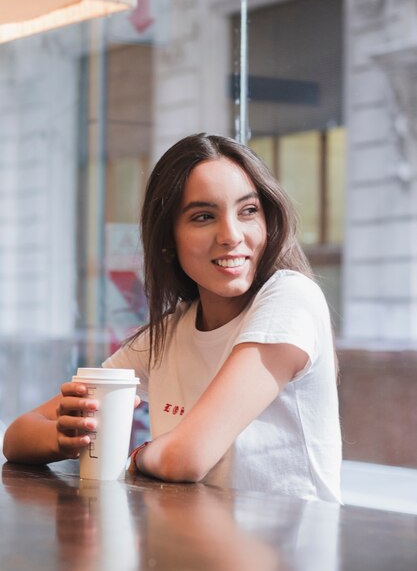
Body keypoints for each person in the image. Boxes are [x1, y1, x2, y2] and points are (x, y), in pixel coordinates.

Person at [3, 133, 342, 502]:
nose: (231, 235)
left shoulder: (291, 297)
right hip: (195, 547)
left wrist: (134, 458)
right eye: (203, 217)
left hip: (290, 553)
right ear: (168, 239)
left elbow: (186, 458)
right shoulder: (168, 333)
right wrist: (65, 436)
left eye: (248, 211)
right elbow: (18, 436)